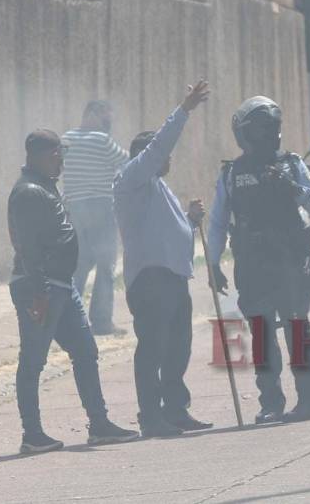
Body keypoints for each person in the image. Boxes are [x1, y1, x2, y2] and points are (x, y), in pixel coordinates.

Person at [8, 129, 139, 454]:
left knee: (85, 351)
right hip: (41, 288)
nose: (61, 162)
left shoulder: (46, 188)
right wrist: (38, 291)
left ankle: (99, 424)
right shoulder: (28, 192)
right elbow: (26, 247)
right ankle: (33, 435)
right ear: (38, 155)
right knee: (33, 361)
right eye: (56, 155)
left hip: (62, 287)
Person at [208, 96, 310, 425]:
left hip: (291, 261)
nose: (271, 135)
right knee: (262, 335)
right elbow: (218, 222)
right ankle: (271, 403)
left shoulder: (291, 165)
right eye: (265, 129)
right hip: (253, 264)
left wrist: (293, 189)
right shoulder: (232, 173)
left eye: (273, 129)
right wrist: (213, 262)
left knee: (296, 330)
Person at [113, 80, 213, 438]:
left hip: (172, 278)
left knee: (177, 348)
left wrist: (190, 221)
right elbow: (158, 148)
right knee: (152, 349)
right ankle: (151, 417)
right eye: (161, 154)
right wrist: (184, 109)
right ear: (146, 156)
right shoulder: (132, 178)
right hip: (150, 281)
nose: (168, 158)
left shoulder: (158, 187)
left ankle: (175, 410)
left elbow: (172, 237)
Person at [62, 101, 130, 336]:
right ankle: (101, 321)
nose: (107, 125)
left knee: (79, 266)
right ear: (90, 114)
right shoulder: (101, 141)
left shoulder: (66, 139)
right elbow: (130, 161)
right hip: (101, 209)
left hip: (74, 209)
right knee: (105, 265)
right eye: (105, 119)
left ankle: (70, 319)